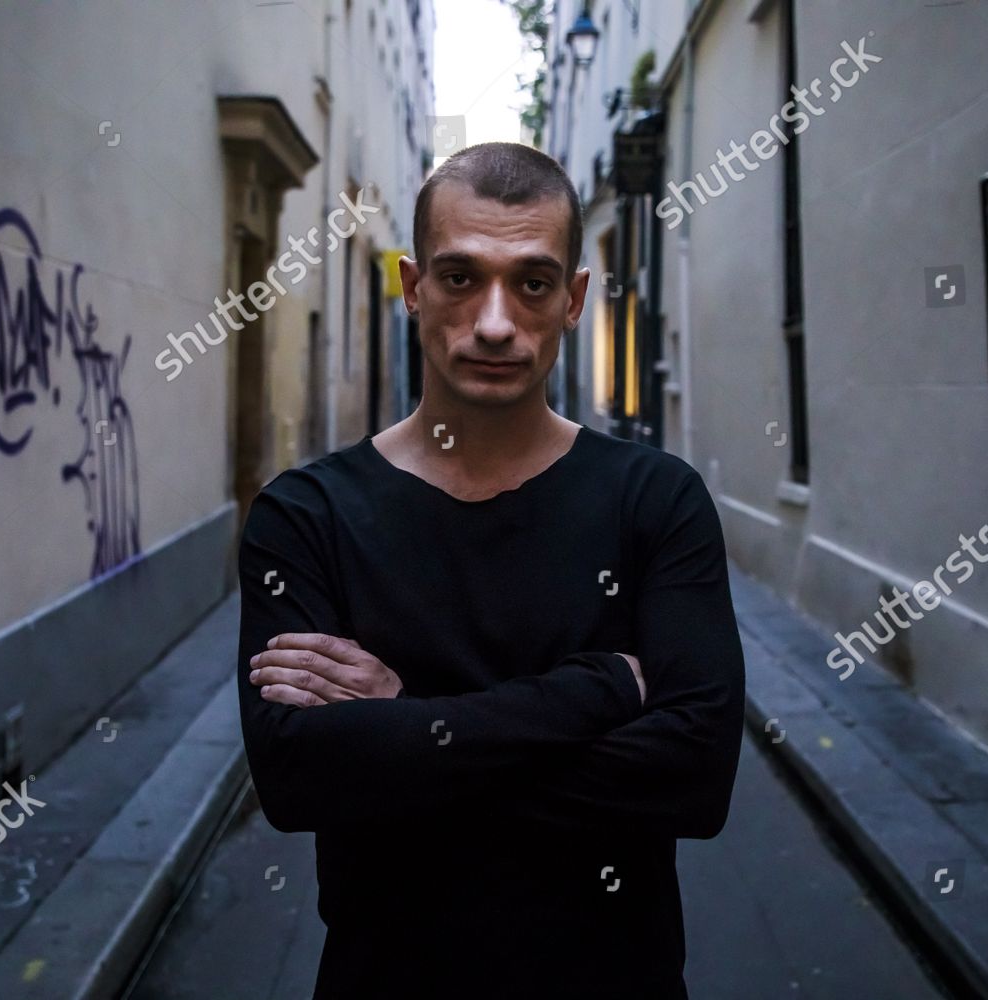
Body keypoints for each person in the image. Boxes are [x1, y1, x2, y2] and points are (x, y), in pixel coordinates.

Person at [237, 141, 745, 999]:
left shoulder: (654, 502)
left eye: (533, 283)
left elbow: (694, 782)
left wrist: (404, 727)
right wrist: (600, 694)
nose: (497, 322)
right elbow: (297, 776)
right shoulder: (307, 515)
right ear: (413, 287)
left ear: (575, 298)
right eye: (462, 277)